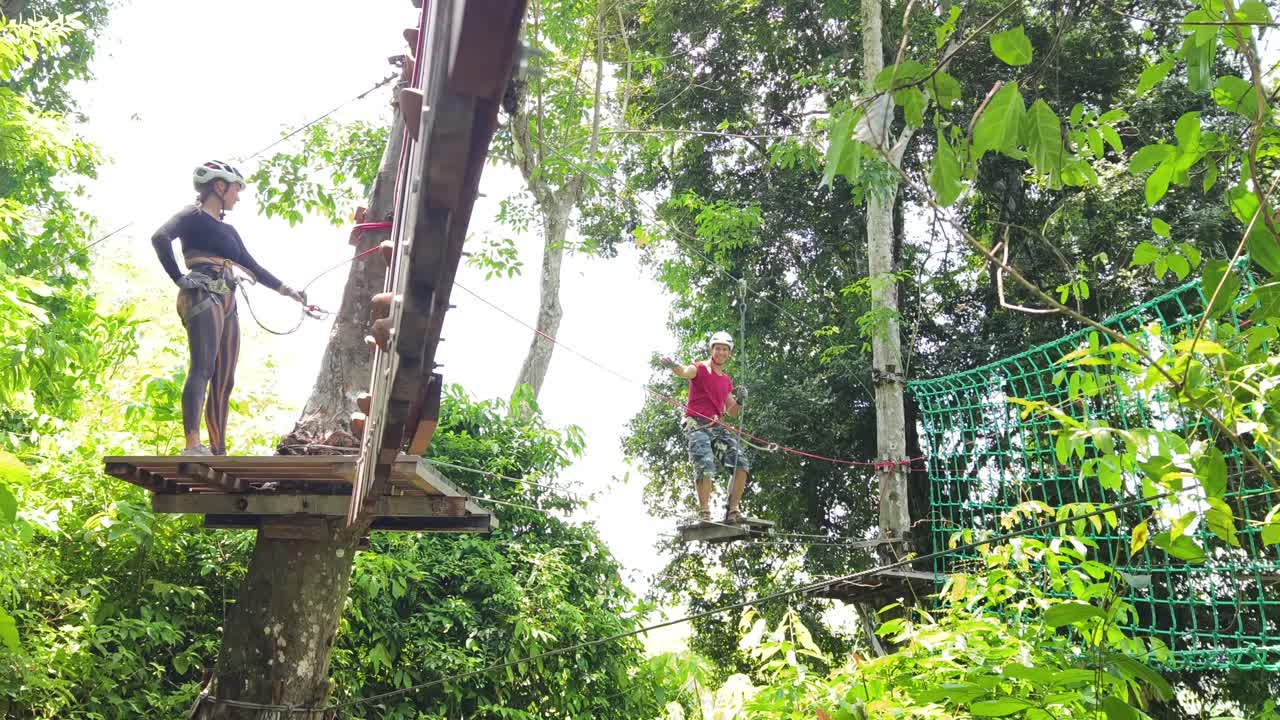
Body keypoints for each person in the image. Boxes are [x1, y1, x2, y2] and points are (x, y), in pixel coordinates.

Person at [151, 160, 307, 456]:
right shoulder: (191, 216)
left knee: (225, 376)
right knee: (203, 367)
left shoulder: (230, 231)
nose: (238, 195)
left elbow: (253, 267)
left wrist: (289, 292)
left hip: (227, 297)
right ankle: (192, 444)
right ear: (219, 187)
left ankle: (217, 448)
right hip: (201, 293)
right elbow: (159, 238)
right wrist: (179, 278)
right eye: (236, 188)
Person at [661, 331, 750, 523]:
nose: (721, 352)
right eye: (718, 348)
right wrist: (672, 364)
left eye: (725, 349)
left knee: (740, 463)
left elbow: (732, 411)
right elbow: (684, 372)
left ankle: (733, 510)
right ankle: (704, 512)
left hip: (716, 425)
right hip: (696, 422)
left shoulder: (726, 380)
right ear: (711, 350)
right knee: (705, 462)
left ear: (729, 353)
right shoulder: (700, 368)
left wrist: (740, 401)